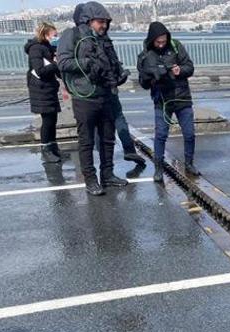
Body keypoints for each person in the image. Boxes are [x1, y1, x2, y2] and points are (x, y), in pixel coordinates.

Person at [57, 1, 130, 196]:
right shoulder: (71, 35)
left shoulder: (104, 39)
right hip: (84, 96)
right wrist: (88, 63)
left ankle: (108, 175)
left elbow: (112, 62)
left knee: (107, 139)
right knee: (87, 140)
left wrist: (119, 74)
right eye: (100, 21)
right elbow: (63, 63)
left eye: (106, 22)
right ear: (89, 20)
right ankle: (90, 179)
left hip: (106, 94)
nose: (104, 25)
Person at [137, 21, 199, 184]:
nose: (161, 44)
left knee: (189, 134)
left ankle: (189, 163)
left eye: (163, 41)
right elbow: (142, 82)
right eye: (158, 42)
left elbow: (190, 67)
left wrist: (180, 70)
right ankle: (158, 168)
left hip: (182, 96)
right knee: (161, 135)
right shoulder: (145, 55)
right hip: (162, 100)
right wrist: (152, 77)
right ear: (152, 40)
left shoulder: (176, 46)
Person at [25, 22, 62, 164]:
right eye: (54, 35)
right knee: (47, 120)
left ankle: (53, 147)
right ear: (45, 34)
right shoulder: (36, 49)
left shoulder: (48, 47)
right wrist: (55, 64)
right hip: (40, 89)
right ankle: (46, 150)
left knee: (53, 119)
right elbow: (39, 70)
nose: (56, 37)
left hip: (49, 87)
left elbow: (55, 67)